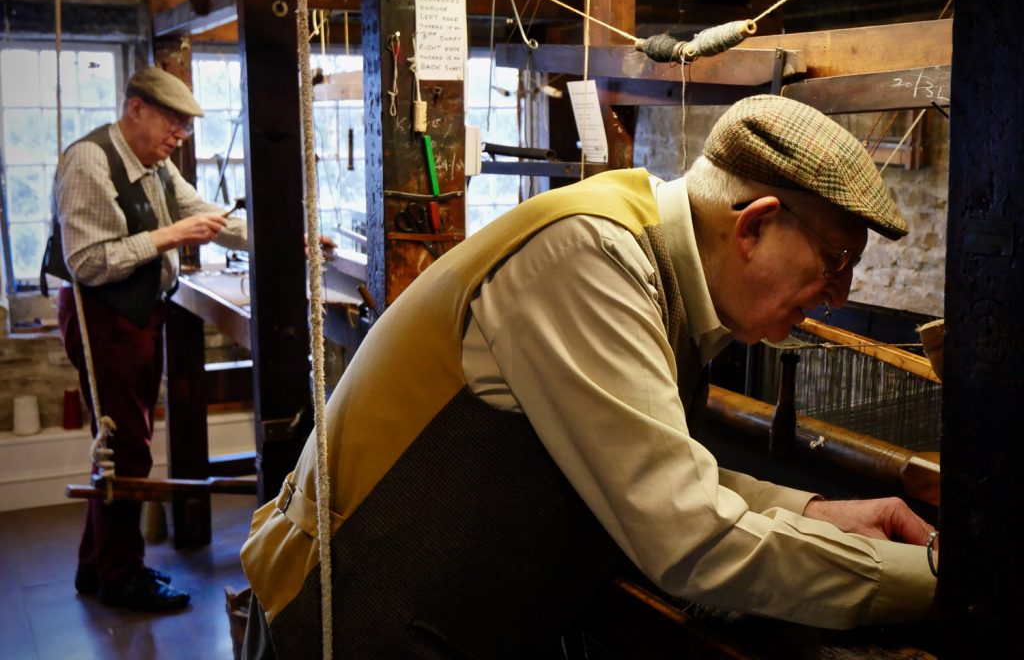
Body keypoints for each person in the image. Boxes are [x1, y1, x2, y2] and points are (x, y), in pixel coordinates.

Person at [240, 95, 937, 658]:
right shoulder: (587, 261)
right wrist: (940, 584)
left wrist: (818, 515)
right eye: (836, 258)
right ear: (752, 227)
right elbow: (690, 538)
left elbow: (657, 472)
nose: (840, 293)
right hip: (349, 628)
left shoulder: (660, 274)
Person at [43, 66, 248, 611]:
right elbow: (86, 261)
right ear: (136, 109)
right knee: (125, 444)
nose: (178, 139)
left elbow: (203, 213)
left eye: (183, 130)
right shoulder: (89, 161)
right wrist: (170, 237)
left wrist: (286, 235)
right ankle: (121, 577)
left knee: (120, 445)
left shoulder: (153, 164)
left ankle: (98, 567)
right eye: (172, 126)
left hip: (136, 313)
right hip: (103, 314)